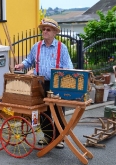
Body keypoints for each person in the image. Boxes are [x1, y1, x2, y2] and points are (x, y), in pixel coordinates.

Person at [15, 18, 73, 149]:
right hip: (40, 83)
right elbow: (29, 60)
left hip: (56, 84)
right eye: (43, 29)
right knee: (42, 111)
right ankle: (48, 136)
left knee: (58, 111)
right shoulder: (37, 46)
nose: (45, 31)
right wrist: (21, 65)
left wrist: (63, 76)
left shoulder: (61, 48)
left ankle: (59, 138)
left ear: (54, 33)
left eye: (48, 29)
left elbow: (69, 66)